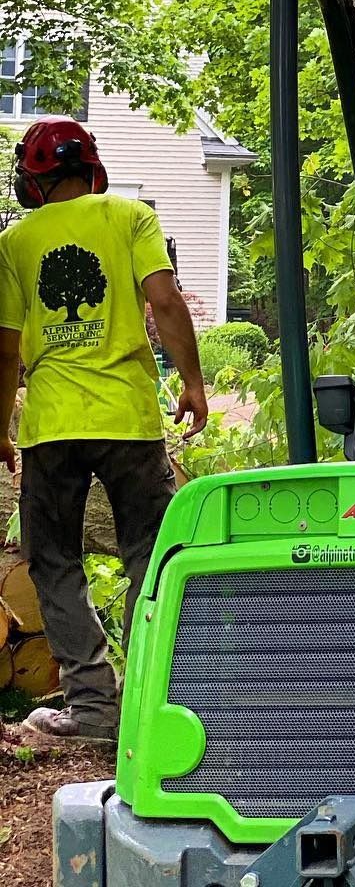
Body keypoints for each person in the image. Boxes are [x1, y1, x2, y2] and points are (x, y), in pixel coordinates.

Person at [0, 118, 208, 745]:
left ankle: (93, 710)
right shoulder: (130, 218)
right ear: (91, 168)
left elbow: (5, 349)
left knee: (54, 559)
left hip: (54, 425)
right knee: (152, 553)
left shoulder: (14, 241)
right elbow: (166, 301)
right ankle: (156, 700)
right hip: (128, 418)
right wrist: (193, 382)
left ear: (34, 183)